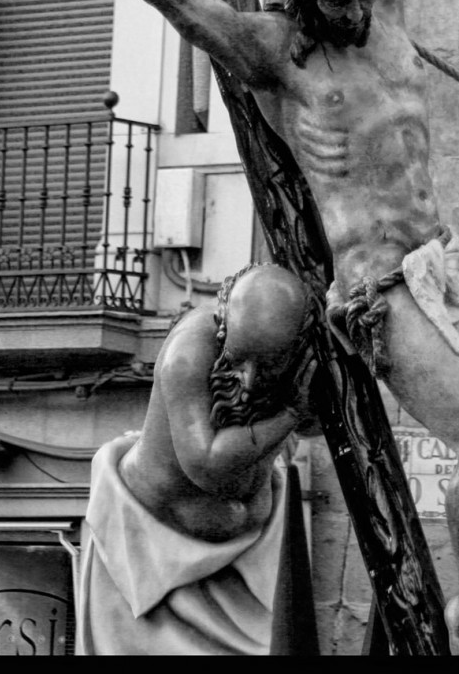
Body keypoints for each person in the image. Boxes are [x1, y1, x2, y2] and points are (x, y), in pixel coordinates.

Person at [47, 0, 459, 654]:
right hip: (381, 290)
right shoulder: (276, 53)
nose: (358, 8)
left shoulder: (382, 4)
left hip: (447, 264)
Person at [77, 263, 320, 655]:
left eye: (269, 364)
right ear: (224, 324)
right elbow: (206, 464)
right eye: (239, 358)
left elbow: (315, 427)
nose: (250, 380)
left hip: (244, 561)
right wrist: (290, 412)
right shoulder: (185, 356)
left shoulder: (295, 347)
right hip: (155, 558)